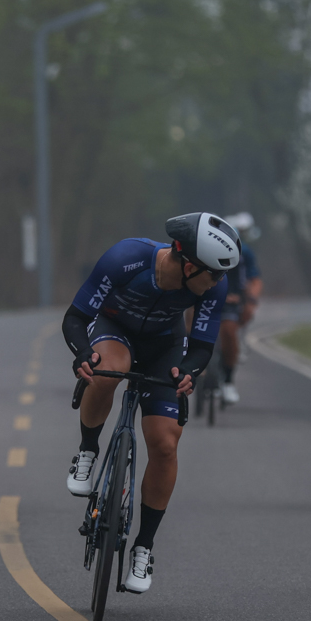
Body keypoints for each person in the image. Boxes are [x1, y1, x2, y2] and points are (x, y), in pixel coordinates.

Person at [62, 212, 240, 594]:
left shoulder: (210, 287)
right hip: (114, 330)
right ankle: (88, 451)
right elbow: (76, 317)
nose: (219, 282)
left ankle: (143, 547)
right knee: (108, 369)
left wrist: (190, 371)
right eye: (215, 274)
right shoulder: (126, 258)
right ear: (189, 265)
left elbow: (203, 345)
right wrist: (81, 355)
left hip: (165, 345)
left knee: (164, 443)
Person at [217, 212, 262, 404]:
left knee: (229, 330)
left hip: (232, 298)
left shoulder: (245, 253)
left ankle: (228, 381)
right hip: (207, 294)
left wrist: (250, 300)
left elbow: (253, 280)